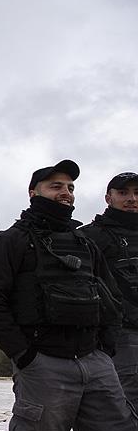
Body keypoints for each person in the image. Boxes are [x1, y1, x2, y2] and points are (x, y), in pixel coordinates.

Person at [0, 160, 138, 431]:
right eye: (56, 186)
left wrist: (104, 349)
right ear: (33, 192)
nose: (65, 193)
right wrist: (25, 355)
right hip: (44, 363)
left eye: (70, 187)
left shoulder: (84, 242)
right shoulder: (12, 242)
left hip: (95, 362)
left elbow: (110, 298)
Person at [80, 172, 138, 407]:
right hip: (121, 336)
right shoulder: (92, 236)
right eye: (123, 193)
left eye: (137, 193)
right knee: (125, 406)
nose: (132, 199)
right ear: (108, 198)